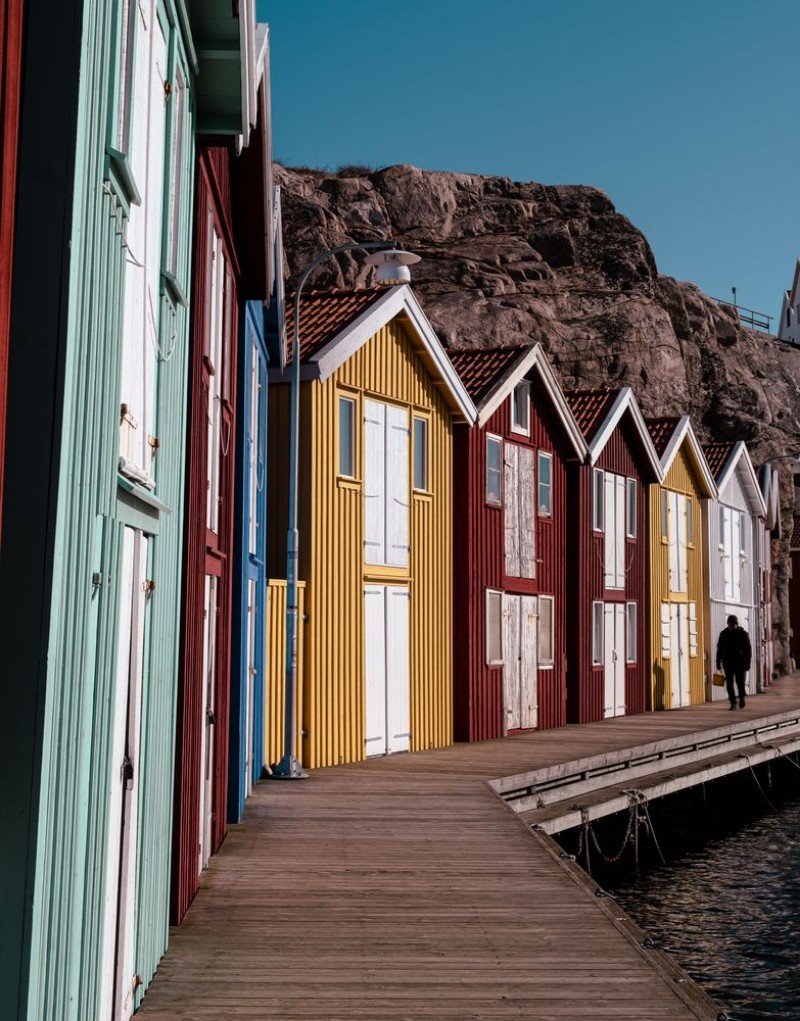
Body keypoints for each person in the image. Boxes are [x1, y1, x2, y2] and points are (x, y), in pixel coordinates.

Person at [716, 614, 752, 710]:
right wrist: (718, 662)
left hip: (740, 663)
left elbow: (748, 650)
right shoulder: (723, 634)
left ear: (736, 624)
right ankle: (733, 703)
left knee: (740, 683)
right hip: (728, 663)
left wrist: (747, 663)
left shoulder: (743, 634)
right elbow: (719, 649)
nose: (731, 626)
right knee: (729, 684)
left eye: (732, 624)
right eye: (729, 624)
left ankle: (742, 698)